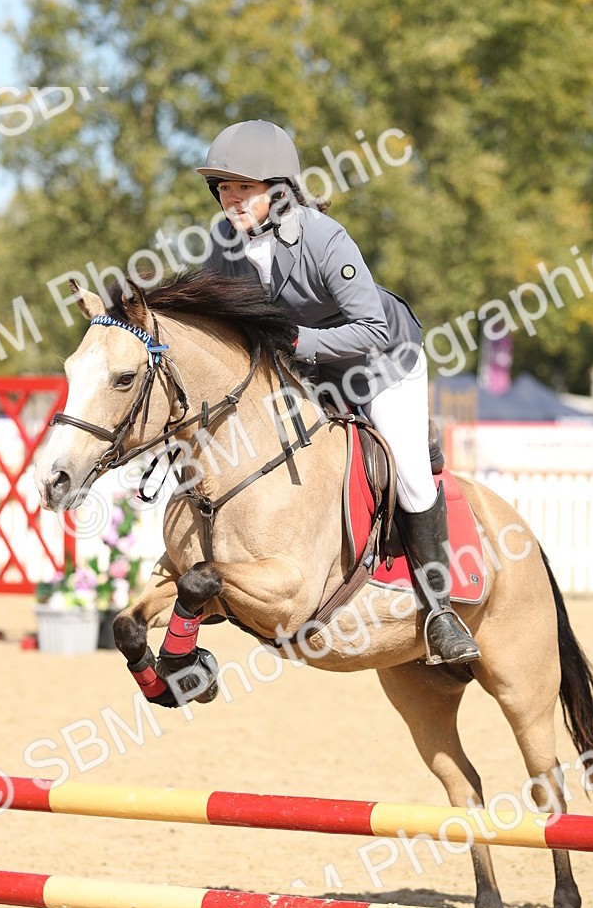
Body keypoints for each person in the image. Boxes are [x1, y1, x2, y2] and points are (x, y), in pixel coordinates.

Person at [195, 119, 480, 666]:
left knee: (411, 477)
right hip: (313, 369)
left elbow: (371, 329)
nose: (231, 200)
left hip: (385, 360)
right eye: (224, 188)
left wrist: (296, 339)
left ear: (278, 190)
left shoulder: (324, 238)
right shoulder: (224, 242)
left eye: (243, 189)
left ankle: (441, 611)